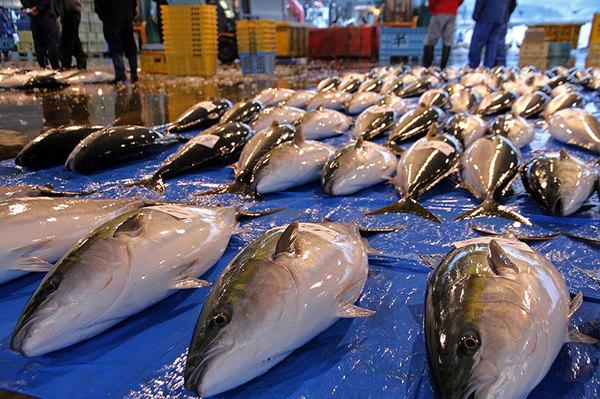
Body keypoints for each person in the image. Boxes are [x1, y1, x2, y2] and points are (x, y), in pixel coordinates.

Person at [95, 0, 138, 83]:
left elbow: (99, 5)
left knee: (115, 46)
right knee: (130, 43)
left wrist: (103, 16)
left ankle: (121, 75)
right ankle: (134, 74)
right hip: (127, 14)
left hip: (111, 16)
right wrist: (132, 13)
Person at [468, 0, 511, 68]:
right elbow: (513, 4)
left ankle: (473, 67)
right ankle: (488, 68)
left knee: (477, 43)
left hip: (485, 16)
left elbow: (480, 2)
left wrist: (475, 15)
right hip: (500, 17)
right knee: (492, 45)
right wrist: (505, 15)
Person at [422, 0, 463, 69]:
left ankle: (427, 67)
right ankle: (443, 68)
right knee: (448, 40)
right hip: (452, 12)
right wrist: (454, 6)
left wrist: (431, 8)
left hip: (440, 10)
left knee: (430, 39)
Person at [20, 0, 60, 69]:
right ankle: (54, 67)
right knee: (51, 42)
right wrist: (37, 8)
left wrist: (31, 8)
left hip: (34, 16)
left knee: (39, 43)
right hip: (46, 14)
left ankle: (43, 66)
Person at [58, 0, 87, 69]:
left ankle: (66, 66)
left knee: (66, 43)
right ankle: (81, 64)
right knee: (74, 41)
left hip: (71, 12)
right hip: (69, 13)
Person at [494, 0, 517, 67]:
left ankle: (496, 65)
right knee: (499, 42)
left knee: (495, 43)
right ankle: (500, 65)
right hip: (502, 17)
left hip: (492, 18)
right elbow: (513, 5)